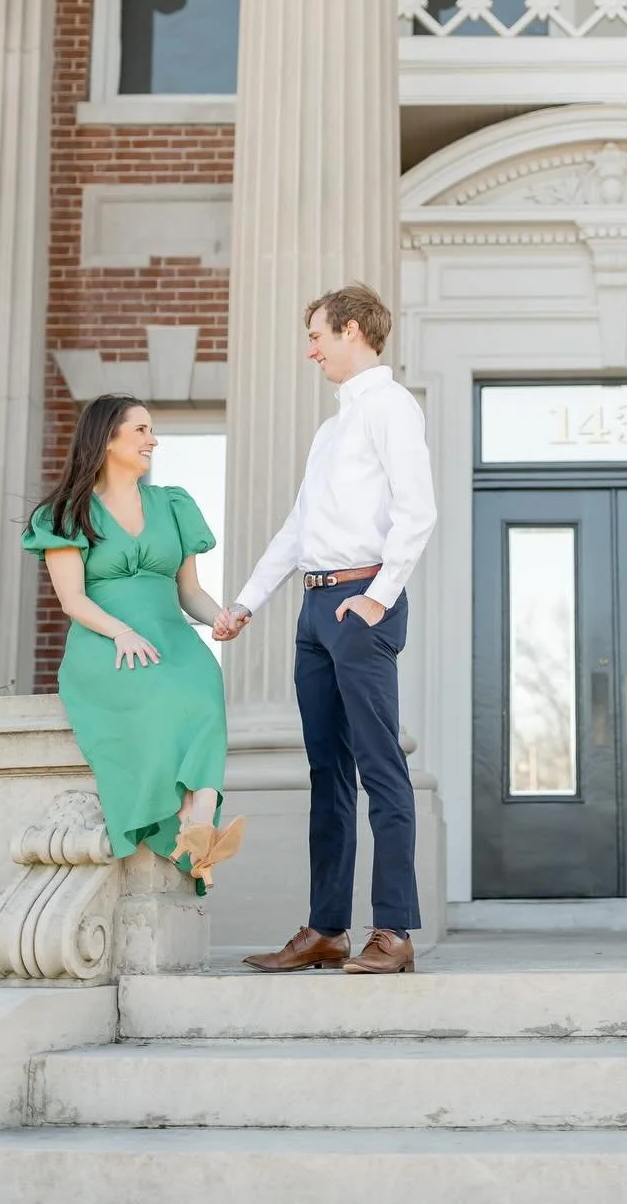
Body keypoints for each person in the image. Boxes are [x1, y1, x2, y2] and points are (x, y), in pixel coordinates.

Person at [214, 282, 436, 974]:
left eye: (317, 336)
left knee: (380, 766)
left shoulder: (392, 407)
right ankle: (327, 930)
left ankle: (393, 931)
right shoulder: (331, 429)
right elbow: (298, 527)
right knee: (327, 772)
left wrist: (378, 597)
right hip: (315, 609)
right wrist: (246, 602)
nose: (310, 350)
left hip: (360, 603)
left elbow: (418, 510)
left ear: (351, 331)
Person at [24, 395, 243, 891]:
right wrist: (121, 632)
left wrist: (219, 618)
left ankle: (199, 821)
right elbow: (72, 600)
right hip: (106, 641)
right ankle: (190, 824)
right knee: (164, 692)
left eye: (152, 430)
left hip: (171, 636)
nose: (153, 440)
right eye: (141, 430)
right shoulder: (66, 513)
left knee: (204, 685)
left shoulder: (173, 504)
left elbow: (190, 592)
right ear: (107, 438)